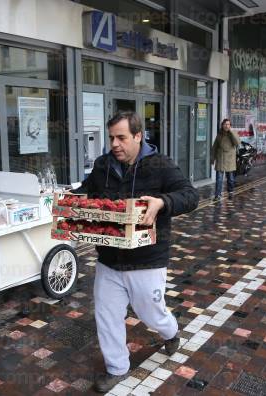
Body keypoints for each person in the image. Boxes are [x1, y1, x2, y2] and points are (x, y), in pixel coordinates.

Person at [74, 111, 199, 393]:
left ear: (138, 136)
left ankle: (170, 331)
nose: (114, 144)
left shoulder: (161, 165)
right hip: (109, 258)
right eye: (111, 138)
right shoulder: (103, 165)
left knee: (150, 313)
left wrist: (162, 202)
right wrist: (71, 197)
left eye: (121, 137)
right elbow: (88, 192)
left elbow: (191, 196)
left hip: (148, 259)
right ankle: (117, 368)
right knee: (106, 315)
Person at [212, 118, 240, 200]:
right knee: (219, 179)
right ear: (222, 125)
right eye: (225, 124)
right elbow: (214, 147)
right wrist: (212, 158)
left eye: (228, 124)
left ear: (230, 126)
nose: (226, 126)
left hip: (230, 160)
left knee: (230, 179)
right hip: (220, 159)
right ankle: (217, 195)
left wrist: (231, 131)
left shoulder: (233, 133)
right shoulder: (219, 135)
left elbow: (237, 142)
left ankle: (230, 192)